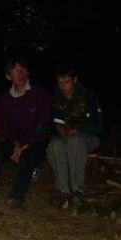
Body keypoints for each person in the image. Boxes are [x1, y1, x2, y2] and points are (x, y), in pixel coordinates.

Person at [0, 59, 52, 209]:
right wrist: (16, 144)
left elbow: (44, 125)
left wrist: (24, 146)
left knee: (27, 156)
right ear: (8, 77)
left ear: (28, 72)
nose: (20, 73)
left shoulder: (39, 93)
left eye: (23, 70)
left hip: (36, 141)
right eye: (15, 71)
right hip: (17, 141)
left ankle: (16, 197)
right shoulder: (5, 99)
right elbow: (5, 126)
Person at [47, 66, 102, 208]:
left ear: (75, 80)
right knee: (54, 144)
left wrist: (77, 129)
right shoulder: (55, 98)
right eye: (60, 82)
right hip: (64, 137)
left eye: (66, 82)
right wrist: (57, 128)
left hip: (87, 138)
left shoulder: (88, 96)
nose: (63, 86)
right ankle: (63, 191)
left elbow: (97, 126)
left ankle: (77, 190)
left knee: (75, 142)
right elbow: (51, 122)